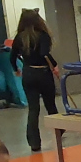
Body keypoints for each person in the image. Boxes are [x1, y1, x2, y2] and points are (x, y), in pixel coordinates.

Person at [10, 9, 61, 151]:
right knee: (50, 105)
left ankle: (34, 142)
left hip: (28, 73)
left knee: (33, 109)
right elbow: (44, 53)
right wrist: (55, 65)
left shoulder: (19, 37)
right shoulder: (43, 35)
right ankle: (58, 131)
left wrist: (16, 69)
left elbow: (12, 57)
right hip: (43, 73)